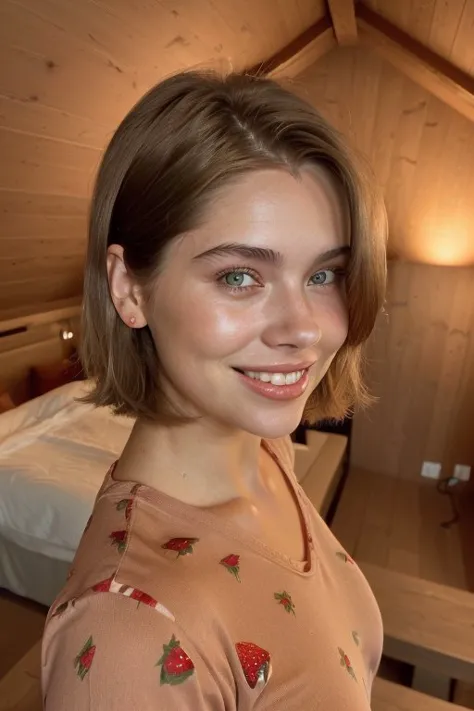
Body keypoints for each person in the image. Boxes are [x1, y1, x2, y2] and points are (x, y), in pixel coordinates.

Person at [41, 69, 387, 710]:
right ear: (129, 289)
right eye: (238, 276)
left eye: (324, 274)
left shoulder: (265, 452)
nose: (303, 330)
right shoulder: (131, 637)